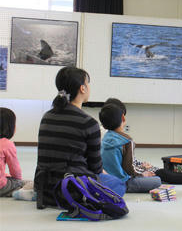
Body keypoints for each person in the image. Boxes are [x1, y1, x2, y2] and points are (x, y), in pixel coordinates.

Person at [34, 66, 125, 208]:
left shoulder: (47, 116)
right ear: (82, 88)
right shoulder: (89, 123)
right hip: (71, 191)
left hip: (44, 190)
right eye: (87, 83)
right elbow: (95, 168)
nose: (89, 87)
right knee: (119, 184)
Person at [99, 102, 162, 193]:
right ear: (123, 117)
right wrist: (144, 174)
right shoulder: (127, 141)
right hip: (123, 182)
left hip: (106, 180)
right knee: (157, 180)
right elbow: (129, 169)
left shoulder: (105, 138)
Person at [0, 108, 29, 198]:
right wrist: (18, 181)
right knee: (26, 183)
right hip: (1, 186)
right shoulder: (7, 144)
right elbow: (15, 169)